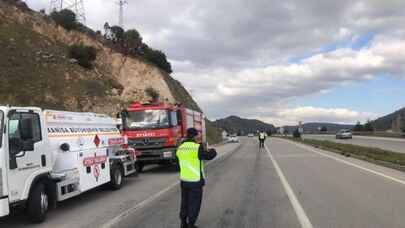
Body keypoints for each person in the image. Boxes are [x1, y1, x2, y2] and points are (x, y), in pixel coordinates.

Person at [176, 128, 217, 228]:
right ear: (195, 136)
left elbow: (178, 164)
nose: (198, 137)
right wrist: (212, 150)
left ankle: (183, 223)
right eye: (197, 135)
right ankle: (191, 225)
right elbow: (209, 156)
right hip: (195, 181)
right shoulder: (197, 147)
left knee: (184, 203)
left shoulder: (180, 148)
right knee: (194, 205)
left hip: (184, 181)